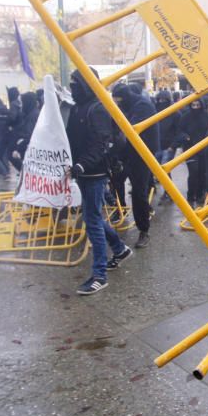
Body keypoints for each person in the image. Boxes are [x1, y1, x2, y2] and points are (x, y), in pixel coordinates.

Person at [67, 69, 132, 295]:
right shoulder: (78, 107)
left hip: (94, 173)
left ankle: (99, 275)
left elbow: (102, 142)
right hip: (83, 171)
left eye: (75, 82)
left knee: (92, 220)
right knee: (91, 216)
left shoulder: (97, 108)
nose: (71, 86)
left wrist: (82, 164)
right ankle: (119, 248)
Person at [113, 83, 158, 248]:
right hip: (127, 153)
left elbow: (128, 129)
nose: (116, 103)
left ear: (124, 98)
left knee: (139, 192)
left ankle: (143, 230)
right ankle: (121, 210)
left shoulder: (142, 105)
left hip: (142, 155)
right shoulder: (130, 105)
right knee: (116, 182)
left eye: (118, 100)